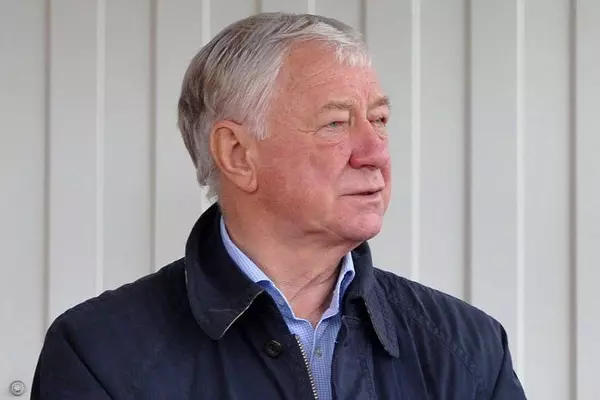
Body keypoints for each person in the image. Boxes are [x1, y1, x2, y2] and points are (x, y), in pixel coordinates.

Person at [32, 13, 526, 399]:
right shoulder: (99, 354)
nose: (375, 152)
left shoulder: (468, 348)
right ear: (237, 154)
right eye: (336, 123)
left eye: (379, 120)